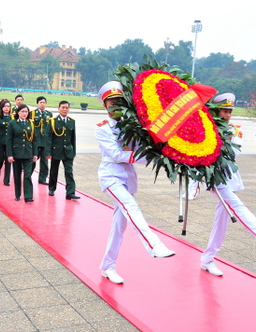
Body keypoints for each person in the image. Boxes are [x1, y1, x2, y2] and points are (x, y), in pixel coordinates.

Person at [200, 93, 256, 277]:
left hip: (227, 177)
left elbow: (233, 154)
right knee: (237, 206)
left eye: (229, 112)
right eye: (224, 111)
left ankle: (208, 259)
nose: (227, 116)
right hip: (213, 177)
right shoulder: (203, 128)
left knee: (222, 220)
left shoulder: (233, 130)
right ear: (216, 111)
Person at [95, 81, 176, 284]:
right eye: (111, 103)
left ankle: (108, 266)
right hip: (110, 176)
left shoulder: (132, 126)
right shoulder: (102, 129)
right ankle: (153, 244)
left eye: (119, 102)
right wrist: (144, 155)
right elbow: (116, 154)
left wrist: (161, 154)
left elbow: (142, 148)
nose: (116, 106)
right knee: (131, 206)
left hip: (127, 178)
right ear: (105, 106)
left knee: (119, 226)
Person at [45, 101, 80, 200]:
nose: (65, 109)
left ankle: (70, 192)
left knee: (69, 172)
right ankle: (52, 188)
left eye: (67, 108)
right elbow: (48, 138)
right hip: (56, 151)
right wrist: (48, 152)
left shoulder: (71, 121)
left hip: (68, 151)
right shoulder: (53, 121)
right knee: (54, 171)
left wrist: (74, 152)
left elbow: (73, 138)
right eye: (63, 107)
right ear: (58, 108)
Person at [7, 104, 38, 202]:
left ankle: (28, 196)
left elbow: (34, 140)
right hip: (17, 153)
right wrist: (10, 154)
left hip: (28, 153)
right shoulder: (12, 123)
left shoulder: (31, 123)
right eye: (22, 111)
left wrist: (35, 153)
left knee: (27, 175)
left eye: (26, 112)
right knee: (17, 175)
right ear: (18, 112)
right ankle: (17, 194)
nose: (24, 113)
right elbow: (9, 140)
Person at [30, 96, 53, 185]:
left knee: (44, 161)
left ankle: (42, 178)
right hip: (35, 140)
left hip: (45, 142)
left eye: (44, 102)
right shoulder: (32, 113)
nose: (42, 104)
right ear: (37, 104)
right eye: (41, 102)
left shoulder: (49, 114)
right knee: (32, 160)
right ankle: (28, 176)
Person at [0, 99, 12, 186]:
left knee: (9, 161)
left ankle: (6, 179)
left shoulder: (12, 118)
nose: (6, 108)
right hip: (0, 142)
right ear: (1, 108)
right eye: (5, 106)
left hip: (9, 143)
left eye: (8, 106)